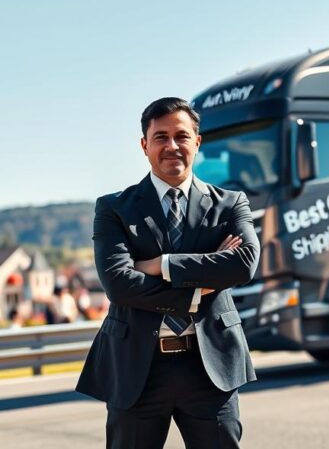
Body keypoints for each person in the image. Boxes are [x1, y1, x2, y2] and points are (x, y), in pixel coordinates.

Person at [76, 97, 260, 449]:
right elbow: (120, 285)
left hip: (210, 369)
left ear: (197, 142)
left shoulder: (231, 204)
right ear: (144, 145)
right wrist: (200, 285)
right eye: (160, 137)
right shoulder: (114, 208)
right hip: (137, 372)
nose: (172, 146)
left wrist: (161, 265)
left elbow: (243, 263)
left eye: (181, 136)